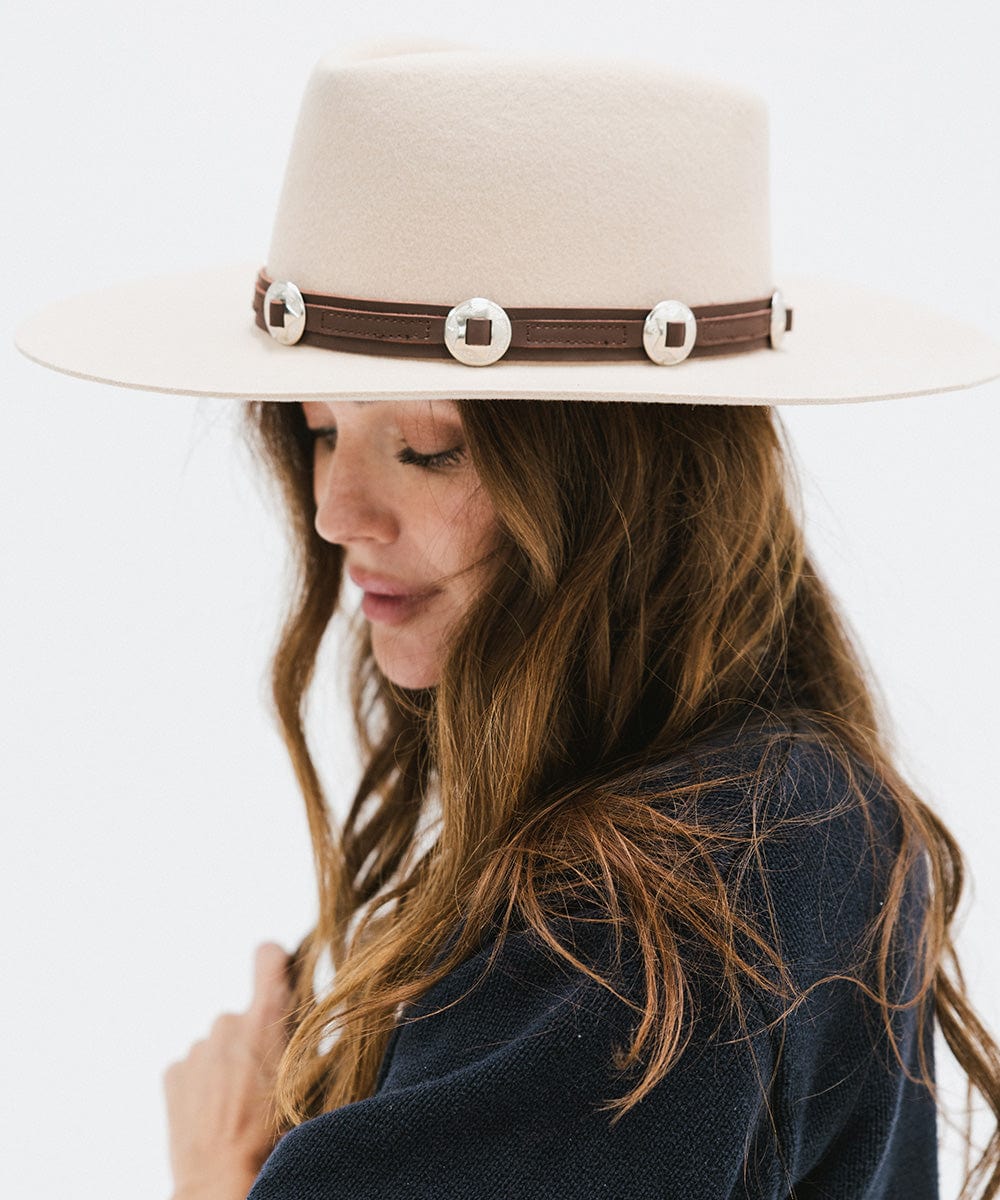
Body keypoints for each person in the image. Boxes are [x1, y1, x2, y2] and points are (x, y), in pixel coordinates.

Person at [13, 39, 1000, 1200]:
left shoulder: (668, 896)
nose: (335, 513)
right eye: (320, 430)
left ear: (629, 483)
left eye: (427, 447)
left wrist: (215, 1177)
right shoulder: (771, 819)